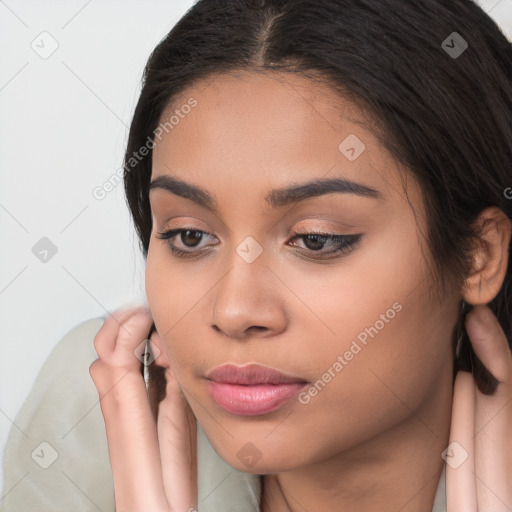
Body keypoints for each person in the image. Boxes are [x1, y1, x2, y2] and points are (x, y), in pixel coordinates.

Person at [3, 0, 511, 510]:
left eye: (316, 239)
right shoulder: (100, 408)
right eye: (190, 236)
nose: (234, 312)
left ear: (478, 255)